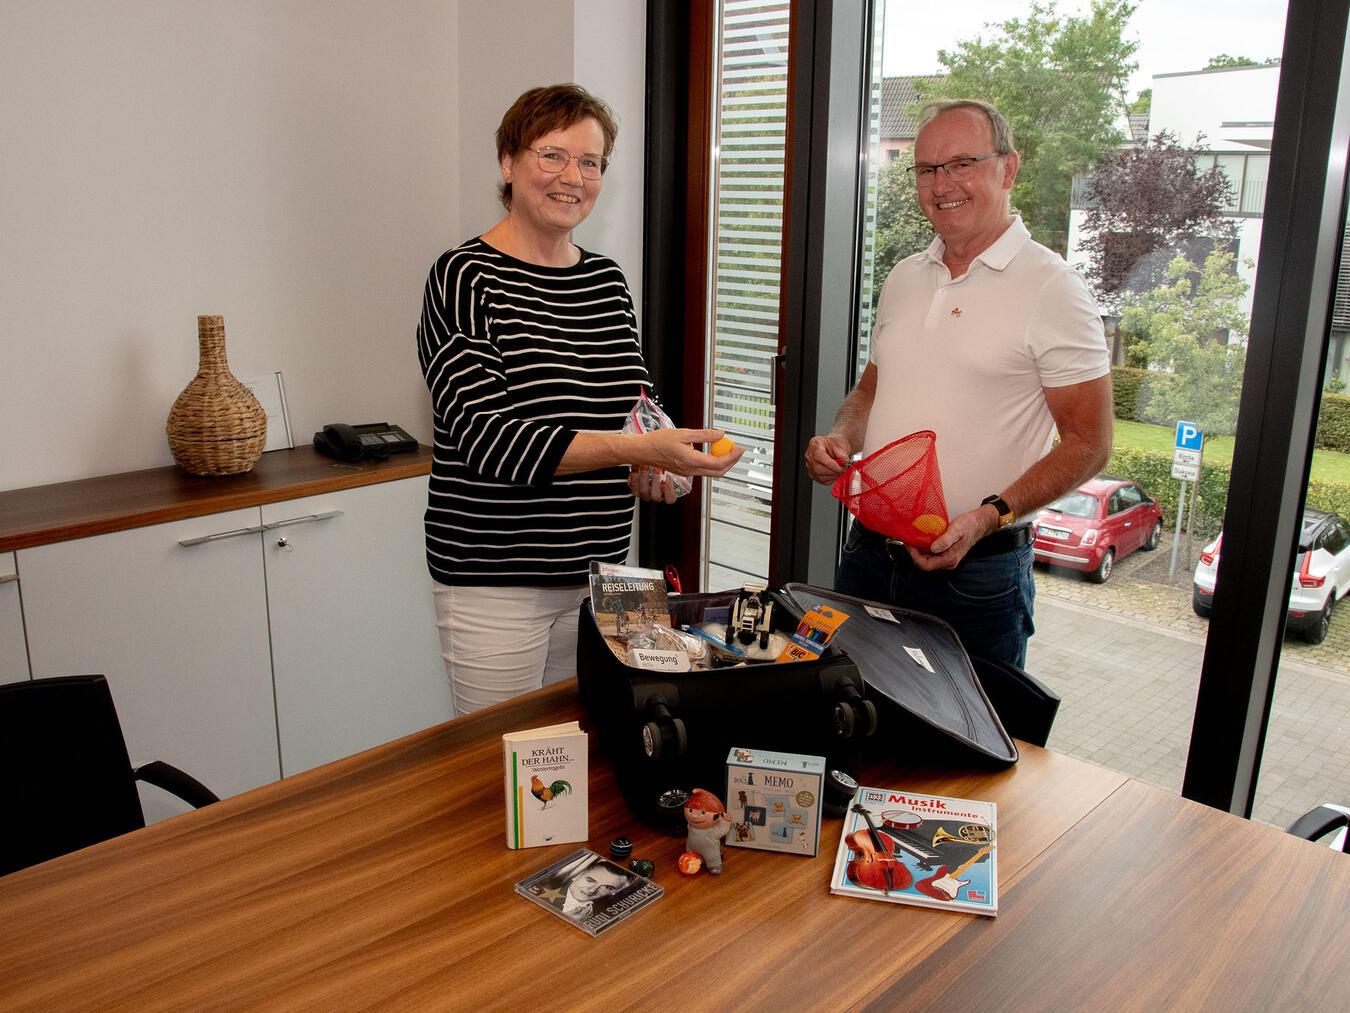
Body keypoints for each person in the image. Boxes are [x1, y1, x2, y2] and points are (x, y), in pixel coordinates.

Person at [417, 84, 743, 715]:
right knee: (510, 767)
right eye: (552, 156)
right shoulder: (463, 276)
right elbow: (491, 443)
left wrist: (655, 463)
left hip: (605, 575)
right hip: (497, 582)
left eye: (590, 162)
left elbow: (635, 406)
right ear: (508, 163)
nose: (573, 177)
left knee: (599, 751)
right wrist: (638, 447)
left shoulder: (606, 280)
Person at [805, 99, 1112, 668]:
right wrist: (843, 438)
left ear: (1009, 169)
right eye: (927, 169)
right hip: (869, 555)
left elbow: (1090, 443)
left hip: (977, 573)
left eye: (962, 163)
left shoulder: (1054, 288)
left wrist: (989, 515)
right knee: (855, 724)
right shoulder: (904, 275)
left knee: (966, 749)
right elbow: (874, 386)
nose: (942, 183)